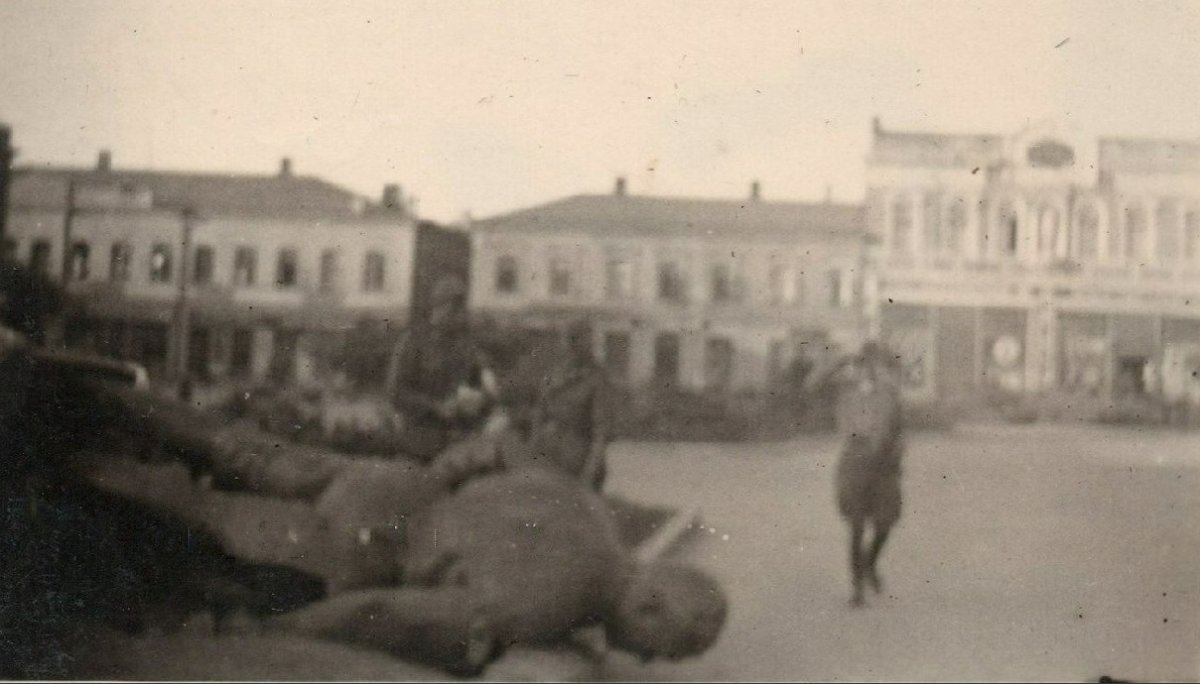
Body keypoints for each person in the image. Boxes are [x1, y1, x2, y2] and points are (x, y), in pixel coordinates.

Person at [384, 274, 496, 461]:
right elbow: (395, 391)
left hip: (460, 442)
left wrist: (480, 400)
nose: (461, 316)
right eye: (455, 309)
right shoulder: (413, 342)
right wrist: (435, 407)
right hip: (419, 443)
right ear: (439, 308)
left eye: (462, 309)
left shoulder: (467, 347)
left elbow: (486, 390)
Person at [520, 318, 610, 489]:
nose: (572, 345)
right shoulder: (554, 374)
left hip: (579, 459)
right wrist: (531, 455)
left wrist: (589, 473)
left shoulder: (597, 378)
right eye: (570, 339)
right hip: (549, 455)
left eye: (578, 339)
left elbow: (601, 431)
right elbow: (539, 415)